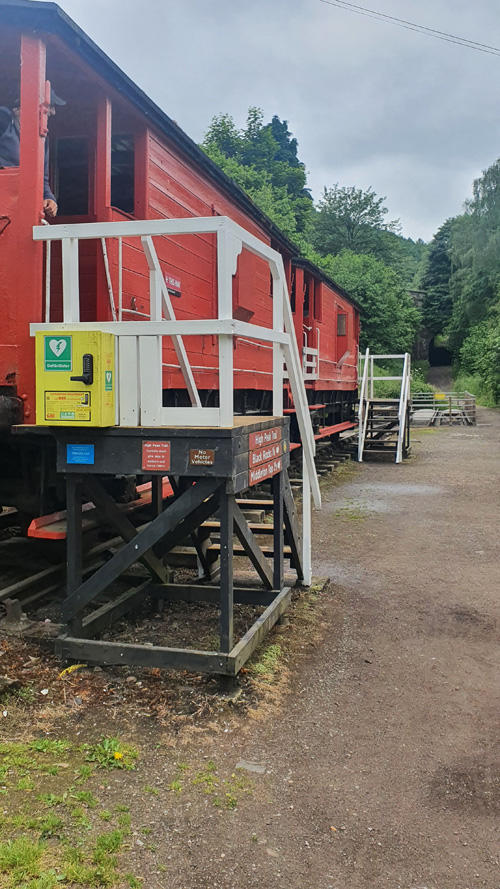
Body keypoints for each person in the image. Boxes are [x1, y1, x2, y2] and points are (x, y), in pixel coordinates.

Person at [0, 87, 66, 218]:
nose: (52, 112)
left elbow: (43, 180)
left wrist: (50, 199)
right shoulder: (3, 119)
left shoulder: (42, 139)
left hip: (18, 209)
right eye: (49, 106)